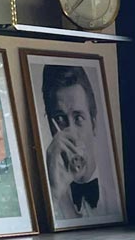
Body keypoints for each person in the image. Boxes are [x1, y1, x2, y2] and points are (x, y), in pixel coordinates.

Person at [41, 65, 104, 219]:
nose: (72, 134)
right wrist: (54, 194)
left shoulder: (119, 195)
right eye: (60, 119)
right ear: (51, 127)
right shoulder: (48, 198)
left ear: (94, 124)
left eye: (78, 118)